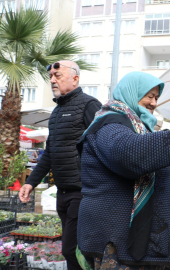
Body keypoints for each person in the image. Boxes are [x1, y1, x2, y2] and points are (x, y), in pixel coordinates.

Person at [76, 71, 170, 270]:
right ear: (131, 92)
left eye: (156, 98)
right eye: (149, 96)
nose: (154, 103)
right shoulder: (110, 123)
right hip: (115, 242)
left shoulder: (138, 127)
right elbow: (129, 154)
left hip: (135, 244)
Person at [19, 60, 102, 270]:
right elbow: (49, 153)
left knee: (70, 249)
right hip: (62, 193)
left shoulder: (89, 104)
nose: (53, 81)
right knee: (76, 250)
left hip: (83, 192)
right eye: (50, 78)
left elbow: (104, 144)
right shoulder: (56, 113)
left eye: (58, 76)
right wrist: (31, 183)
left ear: (75, 78)